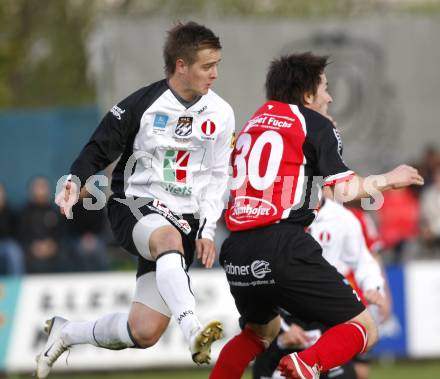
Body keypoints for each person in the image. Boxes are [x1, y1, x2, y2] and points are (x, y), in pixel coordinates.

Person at [36, 21, 235, 378]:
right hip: (134, 206)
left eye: (217, 64)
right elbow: (98, 148)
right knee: (168, 238)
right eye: (207, 66)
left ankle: (66, 332)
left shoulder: (221, 113)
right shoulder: (141, 105)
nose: (215, 74)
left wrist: (206, 229)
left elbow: (218, 177)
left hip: (185, 220)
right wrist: (74, 181)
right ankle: (193, 331)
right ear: (181, 66)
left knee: (143, 332)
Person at [209, 52, 423, 379]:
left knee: (258, 334)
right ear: (308, 95)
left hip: (238, 250)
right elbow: (343, 191)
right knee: (364, 330)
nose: (330, 97)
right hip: (283, 245)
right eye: (325, 88)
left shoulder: (252, 124)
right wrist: (390, 179)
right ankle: (306, 364)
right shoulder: (315, 123)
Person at [252, 190, 388, 379]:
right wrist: (283, 326)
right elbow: (260, 277)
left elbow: (364, 260)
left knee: (353, 368)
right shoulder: (278, 215)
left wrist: (373, 286)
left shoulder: (343, 218)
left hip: (327, 311)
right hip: (286, 315)